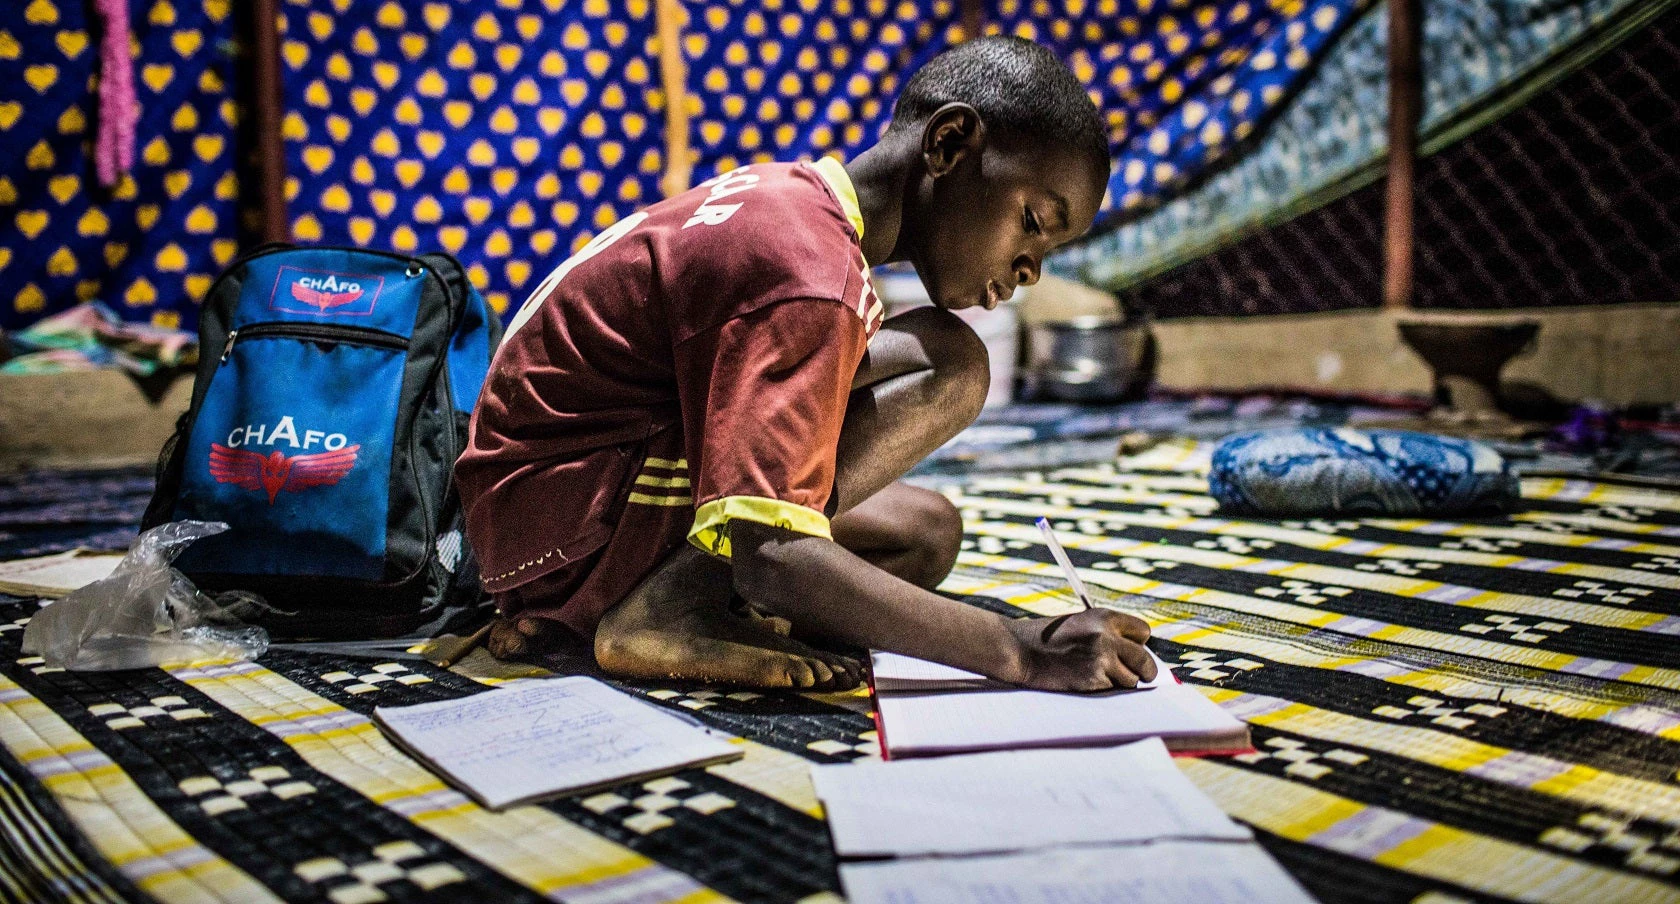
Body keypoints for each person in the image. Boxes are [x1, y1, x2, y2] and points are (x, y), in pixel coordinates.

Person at [454, 35, 1158, 692]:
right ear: (948, 143)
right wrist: (1018, 648)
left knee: (924, 531)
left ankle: (676, 599)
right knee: (944, 372)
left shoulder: (795, 205)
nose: (1031, 268)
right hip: (560, 525)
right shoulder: (807, 270)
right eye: (1033, 221)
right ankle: (663, 609)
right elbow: (773, 558)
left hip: (550, 507)